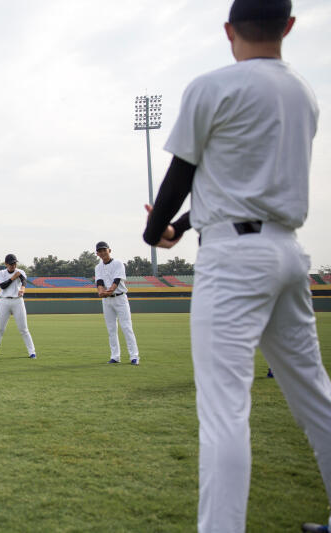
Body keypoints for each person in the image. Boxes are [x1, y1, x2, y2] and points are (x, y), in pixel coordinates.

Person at [142, 1, 331, 530]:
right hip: (289, 253)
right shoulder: (305, 94)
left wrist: (154, 229)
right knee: (316, 395)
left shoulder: (211, 86)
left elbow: (183, 173)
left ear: (229, 30)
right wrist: (180, 225)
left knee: (225, 410)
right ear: (289, 26)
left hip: (233, 262)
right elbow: (231, 185)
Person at [93, 241, 139, 365]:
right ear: (97, 253)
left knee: (126, 327)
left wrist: (109, 291)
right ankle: (115, 356)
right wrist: (101, 292)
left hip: (120, 298)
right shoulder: (98, 267)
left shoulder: (118, 263)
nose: (102, 252)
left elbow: (117, 280)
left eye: (104, 250)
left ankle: (134, 356)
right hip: (107, 301)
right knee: (111, 329)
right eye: (100, 251)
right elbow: (99, 282)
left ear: (109, 250)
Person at [0, 254, 36, 359]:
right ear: (6, 264)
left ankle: (32, 352)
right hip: (4, 301)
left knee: (23, 329)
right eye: (11, 263)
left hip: (17, 301)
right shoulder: (1, 273)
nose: (13, 265)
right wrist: (13, 278)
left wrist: (23, 288)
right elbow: (3, 286)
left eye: (15, 263)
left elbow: (24, 280)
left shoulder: (20, 272)